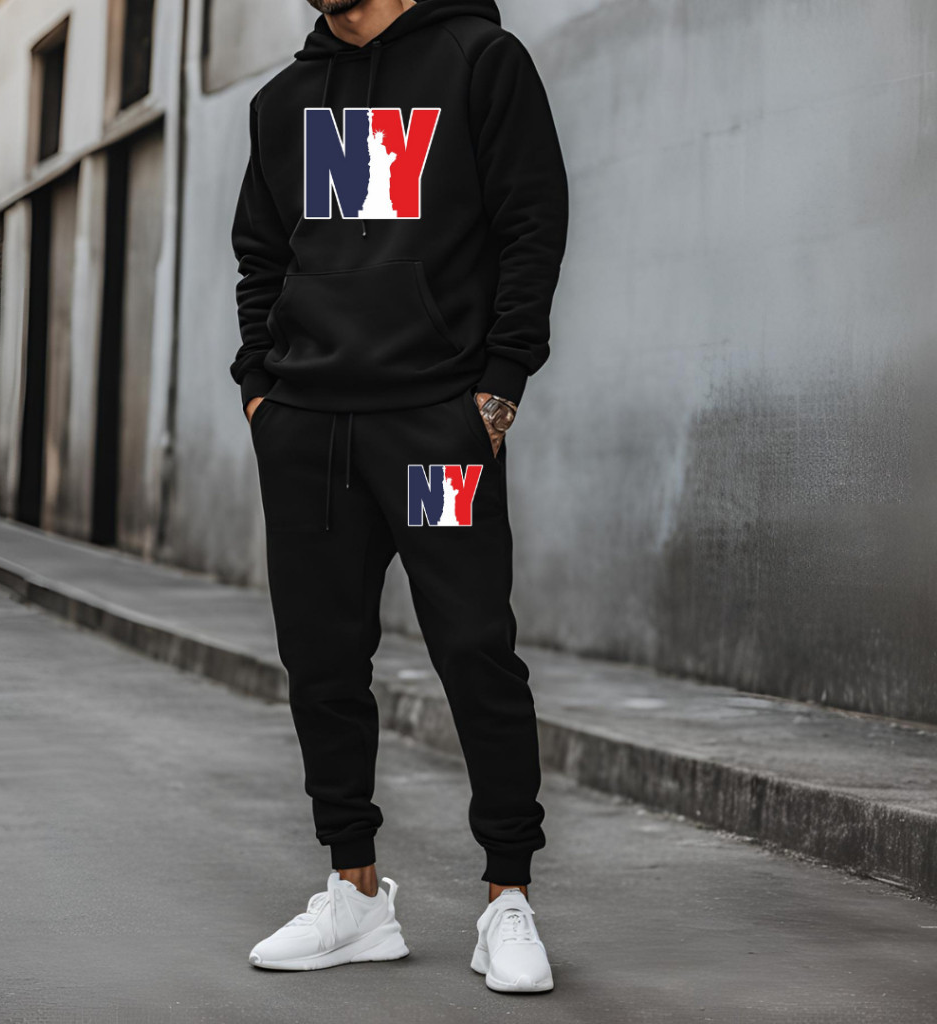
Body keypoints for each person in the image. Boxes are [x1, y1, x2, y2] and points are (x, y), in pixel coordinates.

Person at [229, 0, 569, 993]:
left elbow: (531, 223)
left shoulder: (480, 62)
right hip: (308, 433)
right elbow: (261, 256)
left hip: (431, 433)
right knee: (321, 661)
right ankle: (355, 895)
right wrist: (260, 390)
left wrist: (497, 389)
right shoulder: (282, 102)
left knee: (472, 646)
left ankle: (507, 898)